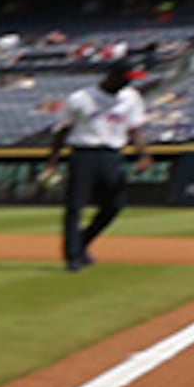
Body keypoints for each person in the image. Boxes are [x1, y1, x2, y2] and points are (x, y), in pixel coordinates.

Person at [52, 58, 150, 270]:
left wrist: (143, 154)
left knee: (114, 205)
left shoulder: (131, 97)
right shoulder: (80, 98)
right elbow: (63, 130)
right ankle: (73, 257)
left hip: (112, 154)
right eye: (126, 78)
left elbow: (135, 129)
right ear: (112, 75)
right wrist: (53, 161)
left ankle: (82, 241)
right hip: (83, 153)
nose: (128, 83)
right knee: (75, 206)